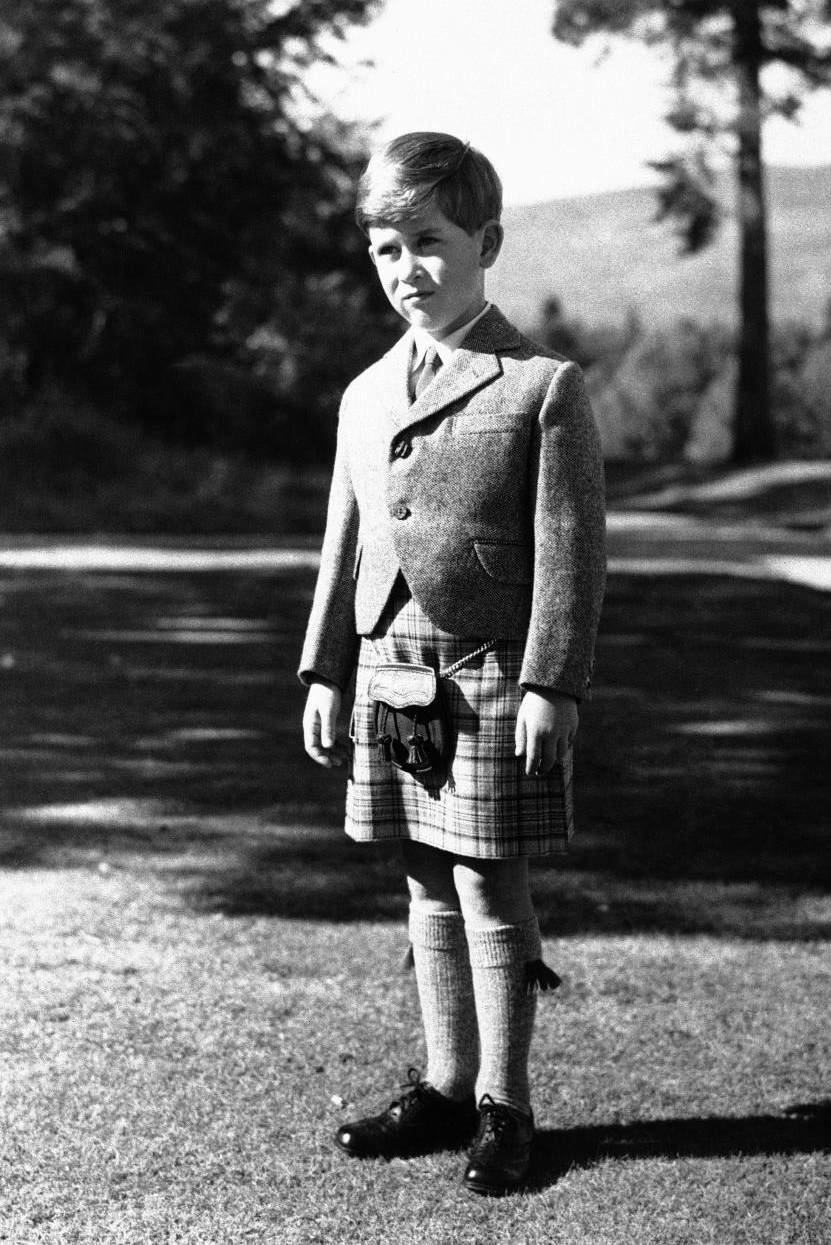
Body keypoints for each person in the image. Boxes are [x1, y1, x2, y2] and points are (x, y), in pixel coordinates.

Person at [300, 131, 606, 1197]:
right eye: (385, 249)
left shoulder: (540, 387)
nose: (405, 270)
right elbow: (343, 540)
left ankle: (505, 1106)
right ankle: (441, 1082)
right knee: (423, 873)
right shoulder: (364, 392)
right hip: (389, 666)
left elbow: (571, 552)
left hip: (489, 670)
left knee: (487, 880)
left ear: (488, 242)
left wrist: (551, 683)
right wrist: (326, 668)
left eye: (426, 243)